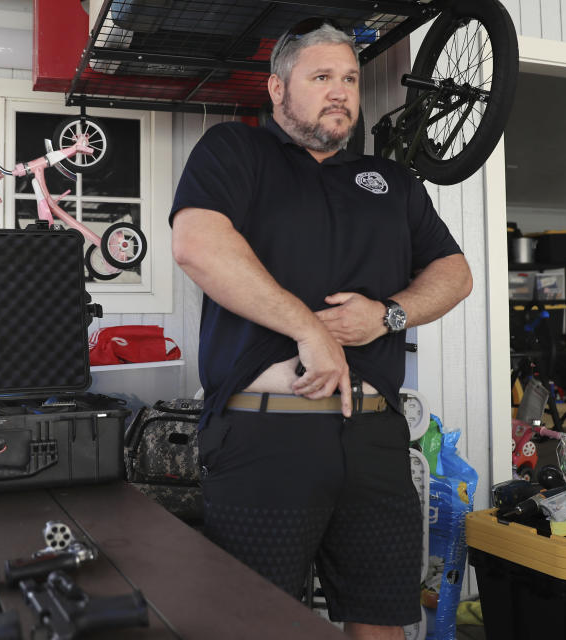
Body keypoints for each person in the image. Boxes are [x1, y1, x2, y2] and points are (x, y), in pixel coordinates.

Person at [170, 17, 473, 640]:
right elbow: (197, 244)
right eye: (321, 77)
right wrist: (310, 330)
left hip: (375, 443)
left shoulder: (391, 182)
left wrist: (388, 314)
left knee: (384, 624)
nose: (340, 91)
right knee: (256, 625)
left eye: (350, 79)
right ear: (278, 89)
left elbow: (455, 272)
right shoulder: (234, 150)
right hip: (264, 439)